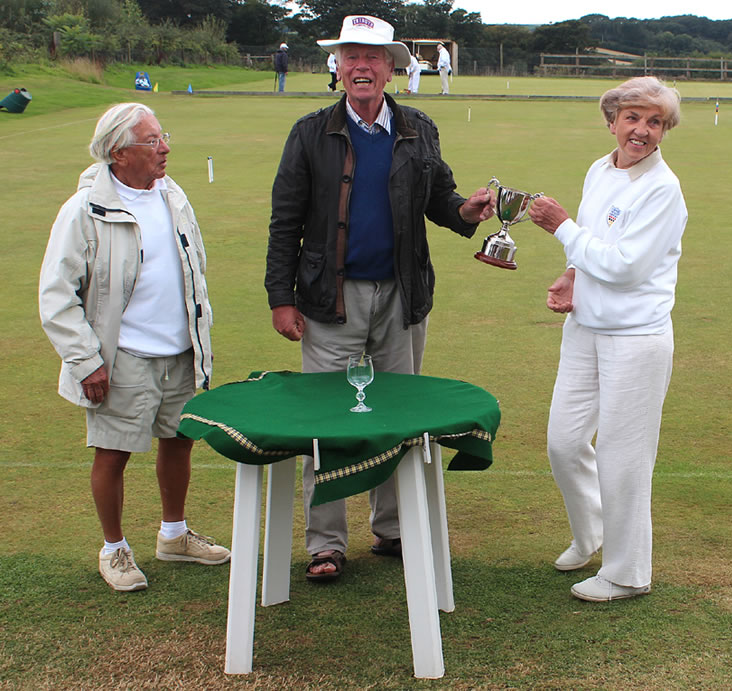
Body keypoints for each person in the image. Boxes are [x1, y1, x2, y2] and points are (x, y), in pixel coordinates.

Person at [265, 15, 495, 582]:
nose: (360, 66)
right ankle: (326, 543)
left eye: (372, 57)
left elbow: (438, 198)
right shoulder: (309, 133)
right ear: (337, 67)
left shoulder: (418, 127)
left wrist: (465, 211)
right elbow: (285, 221)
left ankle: (393, 530)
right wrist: (280, 296)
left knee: (397, 416)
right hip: (328, 297)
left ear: (392, 68)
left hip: (402, 295)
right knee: (326, 418)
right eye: (350, 57)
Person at [39, 103, 230, 592]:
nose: (164, 147)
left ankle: (174, 535)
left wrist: (200, 346)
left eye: (163, 136)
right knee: (113, 452)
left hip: (180, 350)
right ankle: (114, 549)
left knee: (179, 440)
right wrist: (86, 361)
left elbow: (194, 273)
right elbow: (57, 295)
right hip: (121, 357)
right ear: (118, 152)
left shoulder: (173, 195)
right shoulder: (83, 210)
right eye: (151, 141)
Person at [528, 76, 688, 602]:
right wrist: (572, 273)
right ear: (612, 120)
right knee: (564, 442)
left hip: (636, 338)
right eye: (633, 118)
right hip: (585, 329)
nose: (641, 130)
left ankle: (626, 573)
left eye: (654, 122)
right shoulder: (600, 168)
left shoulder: (663, 189)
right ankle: (591, 532)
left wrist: (561, 226)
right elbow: (598, 243)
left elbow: (624, 266)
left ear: (664, 130)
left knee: (624, 457)